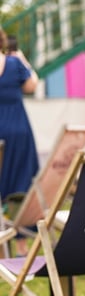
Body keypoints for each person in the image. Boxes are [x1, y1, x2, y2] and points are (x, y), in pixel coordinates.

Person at [0, 29, 39, 203]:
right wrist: (24, 61)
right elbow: (31, 86)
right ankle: (17, 214)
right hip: (17, 126)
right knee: (20, 177)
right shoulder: (14, 63)